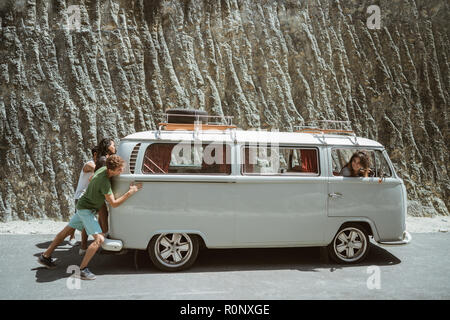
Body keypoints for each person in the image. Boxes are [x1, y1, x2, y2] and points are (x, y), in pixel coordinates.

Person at [37, 155, 142, 280]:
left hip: (83, 205)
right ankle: (82, 270)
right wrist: (131, 192)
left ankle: (45, 256)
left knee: (66, 232)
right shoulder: (105, 182)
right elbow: (114, 203)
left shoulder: (102, 169)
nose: (121, 171)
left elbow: (92, 178)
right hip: (86, 210)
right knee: (98, 240)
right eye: (120, 170)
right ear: (112, 170)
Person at [78, 138, 116, 255]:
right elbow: (95, 177)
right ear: (107, 146)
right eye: (113, 145)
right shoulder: (104, 160)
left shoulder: (103, 159)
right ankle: (104, 244)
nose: (115, 147)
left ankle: (83, 247)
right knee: (102, 216)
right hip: (93, 195)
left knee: (86, 221)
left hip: (92, 195)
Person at [66, 146, 98, 246]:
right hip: (80, 197)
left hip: (88, 197)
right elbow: (95, 169)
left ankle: (84, 244)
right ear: (95, 154)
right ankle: (72, 238)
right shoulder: (89, 164)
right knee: (76, 221)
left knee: (81, 221)